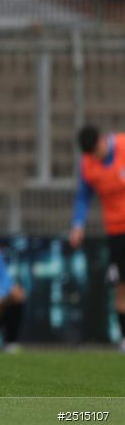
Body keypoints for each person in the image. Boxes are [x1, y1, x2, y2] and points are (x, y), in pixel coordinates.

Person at [69, 125, 125, 352]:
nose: (95, 157)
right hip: (116, 232)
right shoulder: (88, 165)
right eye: (91, 154)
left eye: (97, 151)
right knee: (121, 286)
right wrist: (77, 225)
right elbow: (83, 196)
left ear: (104, 139)